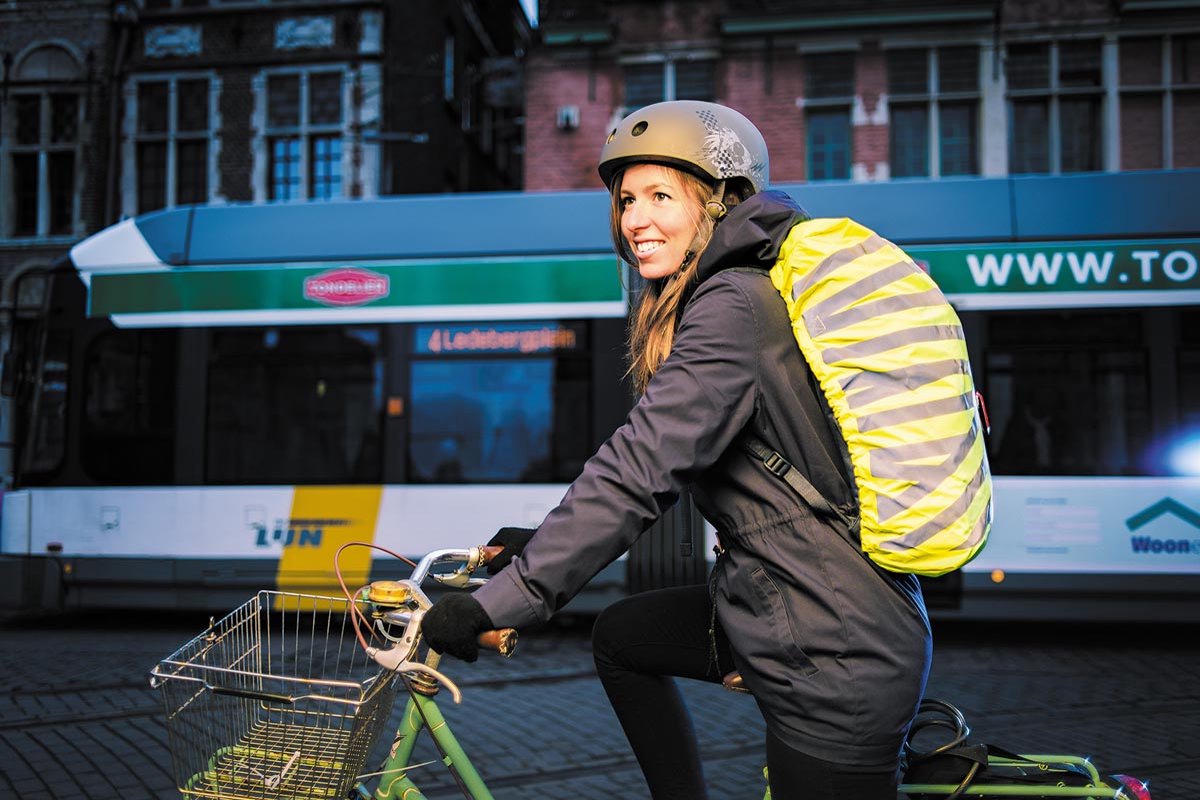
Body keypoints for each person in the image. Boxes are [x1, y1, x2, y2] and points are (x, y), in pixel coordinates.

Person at [421, 100, 932, 800]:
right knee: (625, 636)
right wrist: (541, 545)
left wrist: (499, 604)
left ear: (721, 203)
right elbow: (667, 469)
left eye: (662, 195)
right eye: (627, 199)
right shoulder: (724, 298)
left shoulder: (734, 307)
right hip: (789, 608)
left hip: (833, 653)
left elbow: (639, 469)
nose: (635, 219)